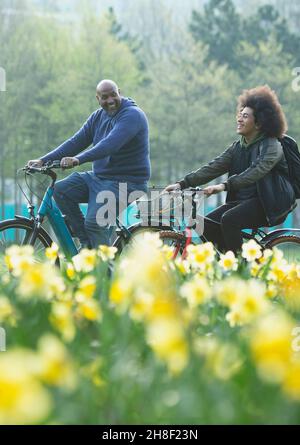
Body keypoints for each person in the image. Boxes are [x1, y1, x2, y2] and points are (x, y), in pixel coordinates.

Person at [165, 85, 296, 254]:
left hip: (270, 203)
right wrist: (181, 184)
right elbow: (214, 167)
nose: (239, 119)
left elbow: (256, 171)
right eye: (239, 115)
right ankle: (232, 259)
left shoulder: (272, 145)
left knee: (229, 219)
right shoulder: (238, 147)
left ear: (259, 123)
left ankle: (240, 269)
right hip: (243, 201)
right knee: (204, 225)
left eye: (245, 116)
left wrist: (223, 186)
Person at [27, 79, 150, 248]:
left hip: (127, 183)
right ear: (98, 99)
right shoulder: (98, 116)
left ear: (119, 92)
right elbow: (76, 142)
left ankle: (104, 269)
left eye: (113, 95)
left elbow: (109, 145)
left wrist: (78, 159)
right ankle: (87, 245)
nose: (110, 100)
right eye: (104, 97)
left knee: (94, 222)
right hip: (99, 178)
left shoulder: (132, 115)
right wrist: (43, 160)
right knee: (60, 190)